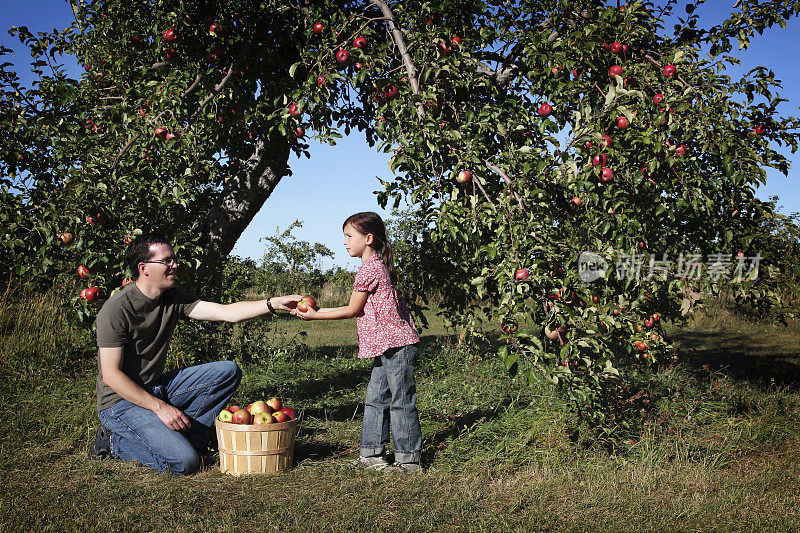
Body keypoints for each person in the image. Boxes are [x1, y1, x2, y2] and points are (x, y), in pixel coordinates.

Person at [88, 232, 302, 475]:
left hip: (155, 387)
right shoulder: (116, 310)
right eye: (166, 261)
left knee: (227, 371)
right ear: (144, 268)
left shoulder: (173, 298)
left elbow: (227, 313)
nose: (175, 265)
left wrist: (272, 303)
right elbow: (111, 375)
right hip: (120, 402)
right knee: (184, 463)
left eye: (173, 259)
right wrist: (160, 408)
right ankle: (112, 442)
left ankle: (191, 438)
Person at [292, 212, 422, 472]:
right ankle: (371, 454)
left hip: (397, 345)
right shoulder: (373, 266)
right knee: (376, 398)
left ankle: (408, 461)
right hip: (385, 345)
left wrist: (316, 316)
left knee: (400, 401)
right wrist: (315, 315)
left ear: (369, 238)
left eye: (350, 236)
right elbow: (356, 308)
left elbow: (352, 309)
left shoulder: (370, 268)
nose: (345, 242)